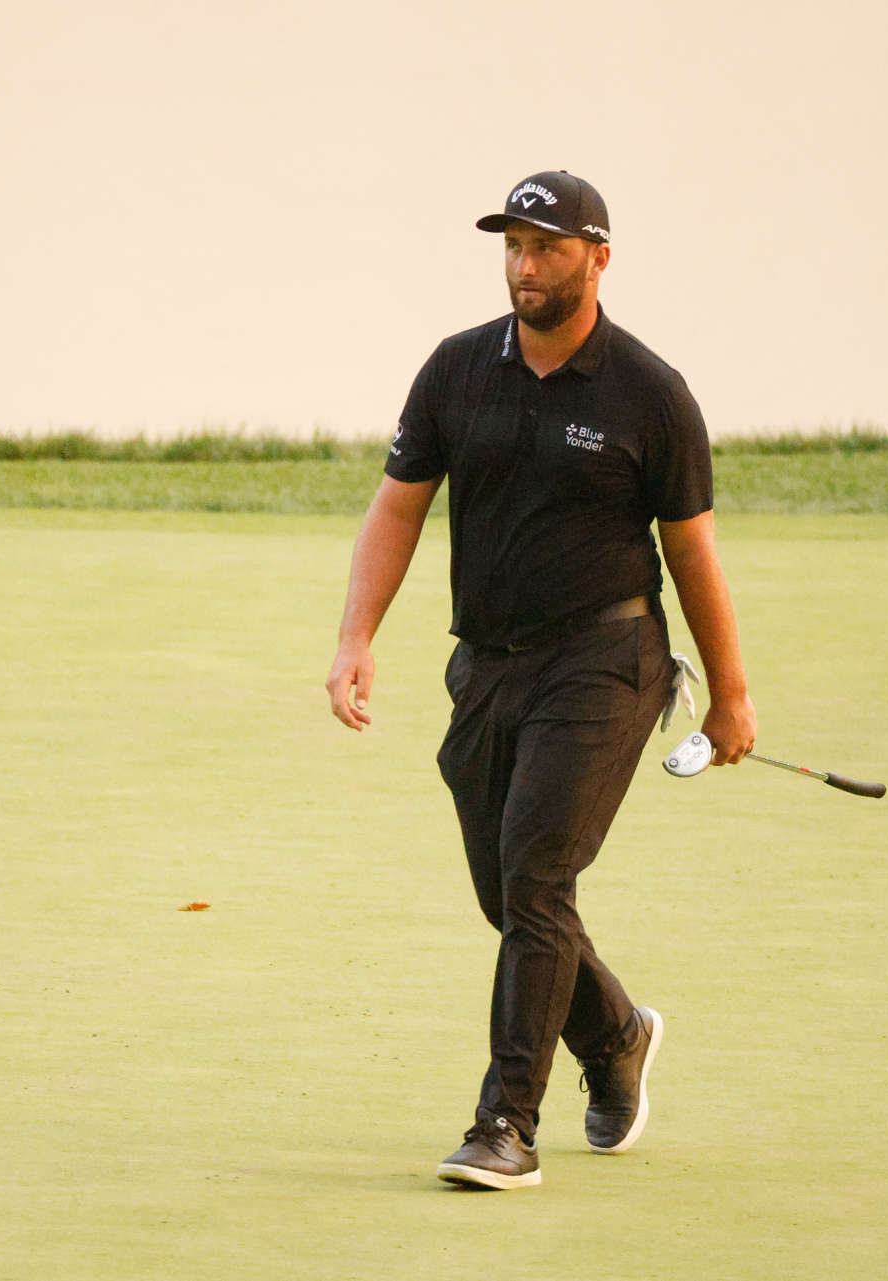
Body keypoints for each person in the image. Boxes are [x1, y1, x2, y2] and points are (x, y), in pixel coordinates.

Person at [324, 170, 758, 1190]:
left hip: (604, 663)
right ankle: (612, 1037)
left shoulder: (649, 395)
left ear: (598, 258)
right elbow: (399, 509)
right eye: (515, 245)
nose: (527, 264)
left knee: (535, 875)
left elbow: (694, 557)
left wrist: (733, 696)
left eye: (549, 247)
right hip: (486, 668)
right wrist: (355, 638)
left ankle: (504, 1125)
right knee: (510, 892)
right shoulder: (457, 370)